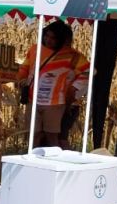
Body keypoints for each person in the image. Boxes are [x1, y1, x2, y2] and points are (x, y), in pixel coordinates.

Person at [17, 20, 80, 149]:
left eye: (53, 38)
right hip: (33, 100)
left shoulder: (70, 56)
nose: (48, 40)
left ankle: (57, 162)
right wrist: (22, 80)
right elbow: (24, 68)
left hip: (55, 103)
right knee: (35, 135)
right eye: (47, 36)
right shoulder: (35, 49)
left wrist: (72, 91)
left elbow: (87, 72)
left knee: (54, 137)